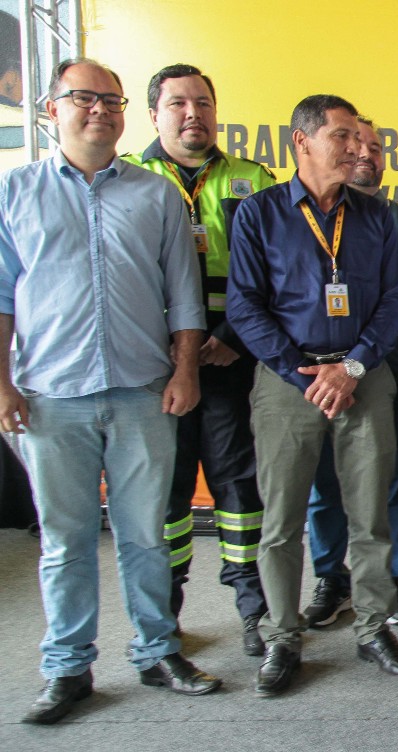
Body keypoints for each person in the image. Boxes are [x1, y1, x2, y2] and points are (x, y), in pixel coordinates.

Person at [0, 58, 221, 725]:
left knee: (145, 535)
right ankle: (68, 668)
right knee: (65, 541)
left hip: (141, 393)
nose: (99, 109)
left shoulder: (155, 195)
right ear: (52, 109)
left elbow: (184, 295)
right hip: (50, 397)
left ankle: (158, 651)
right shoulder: (15, 192)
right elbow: (2, 299)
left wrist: (185, 370)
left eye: (111, 100)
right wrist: (2, 384)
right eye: (83, 98)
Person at [227, 94, 398, 696]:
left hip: (364, 376)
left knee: (370, 514)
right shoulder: (259, 213)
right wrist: (302, 372)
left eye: (360, 138)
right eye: (342, 136)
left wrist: (352, 367)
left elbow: (393, 302)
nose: (358, 148)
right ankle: (282, 638)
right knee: (281, 520)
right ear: (301, 142)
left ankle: (373, 628)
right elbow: (244, 306)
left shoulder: (376, 216)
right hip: (290, 382)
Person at [123, 63, 275, 656]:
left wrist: (233, 336)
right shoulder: (129, 177)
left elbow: (275, 272)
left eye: (204, 103)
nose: (194, 114)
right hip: (153, 359)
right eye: (179, 104)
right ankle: (164, 616)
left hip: (232, 355)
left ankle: (254, 611)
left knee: (239, 483)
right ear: (153, 114)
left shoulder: (252, 178)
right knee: (166, 490)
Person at [304, 115, 398, 629]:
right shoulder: (306, 216)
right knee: (324, 482)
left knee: (392, 481)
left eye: (375, 147)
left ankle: (396, 583)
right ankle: (332, 578)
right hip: (316, 370)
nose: (366, 155)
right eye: (355, 143)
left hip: (387, 370)